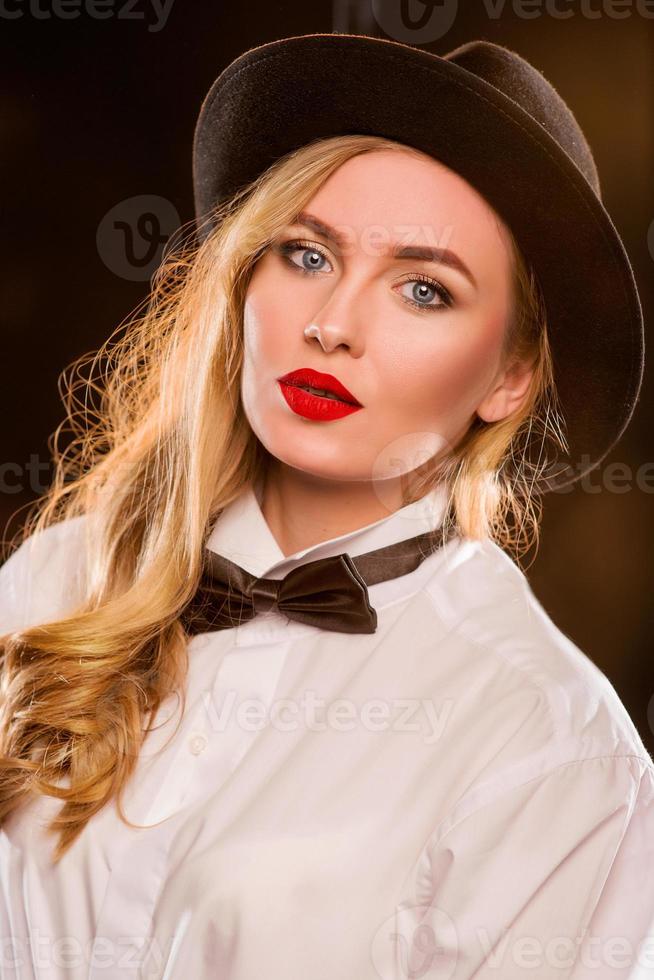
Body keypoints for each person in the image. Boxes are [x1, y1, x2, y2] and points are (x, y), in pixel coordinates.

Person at [0, 31, 652, 980]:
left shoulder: (553, 753)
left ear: (511, 375)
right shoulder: (55, 581)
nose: (333, 324)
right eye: (306, 255)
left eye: (424, 289)